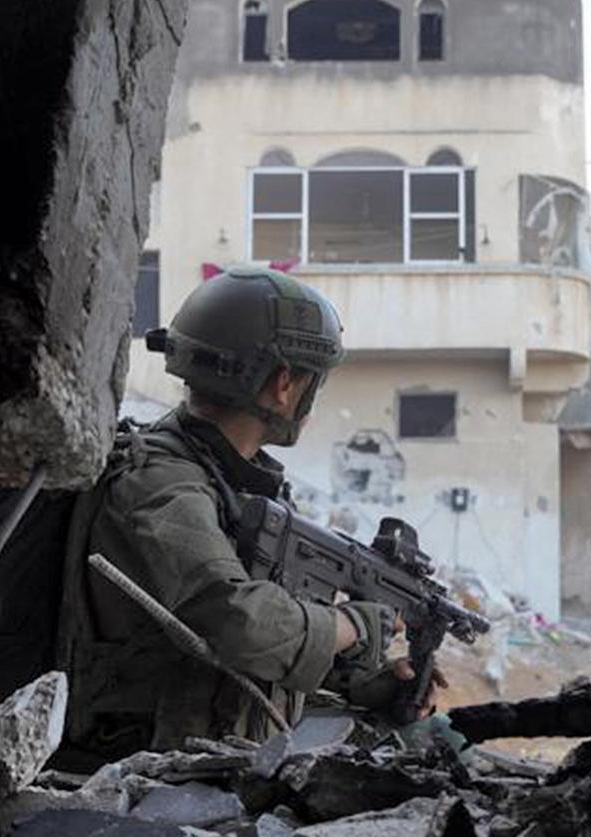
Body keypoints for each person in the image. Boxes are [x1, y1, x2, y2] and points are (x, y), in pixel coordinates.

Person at [56, 267, 430, 763]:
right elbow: (237, 622)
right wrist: (354, 627)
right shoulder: (163, 482)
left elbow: (263, 655)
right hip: (136, 780)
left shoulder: (234, 488)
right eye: (311, 382)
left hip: (209, 767)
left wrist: (370, 683)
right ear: (283, 384)